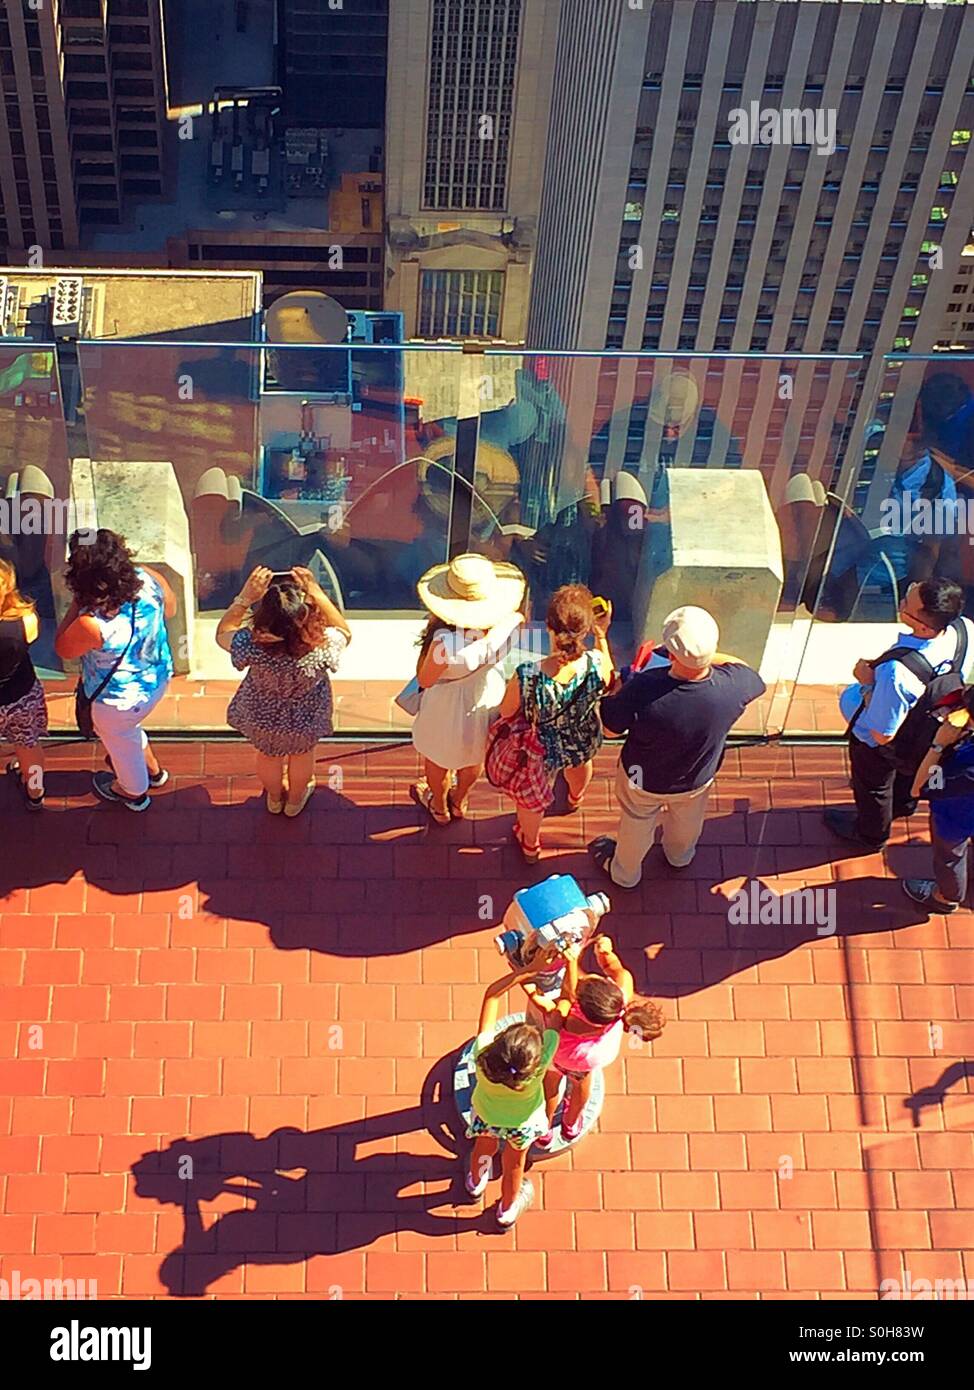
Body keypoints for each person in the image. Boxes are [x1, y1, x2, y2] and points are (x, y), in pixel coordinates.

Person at [590, 605, 765, 887]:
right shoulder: (733, 687)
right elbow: (747, 671)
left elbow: (610, 729)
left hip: (643, 777)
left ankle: (625, 874)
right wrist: (700, 658)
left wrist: (620, 690)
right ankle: (679, 856)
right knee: (688, 821)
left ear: (670, 653)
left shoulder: (643, 687)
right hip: (697, 778)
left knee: (637, 822)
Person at [827, 577, 974, 849]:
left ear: (922, 626)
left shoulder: (897, 672)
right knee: (909, 768)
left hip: (880, 742)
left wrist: (867, 683)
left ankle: (871, 834)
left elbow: (882, 734)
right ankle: (904, 803)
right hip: (930, 725)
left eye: (907, 601)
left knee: (873, 786)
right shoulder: (965, 629)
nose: (903, 599)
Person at [55, 530, 175, 812]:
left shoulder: (92, 622)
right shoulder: (147, 577)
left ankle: (134, 792)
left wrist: (78, 603)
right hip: (156, 678)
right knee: (127, 734)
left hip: (117, 702)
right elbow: (170, 608)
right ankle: (155, 772)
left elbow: (63, 647)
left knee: (120, 743)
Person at [216, 565, 351, 817]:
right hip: (307, 717)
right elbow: (344, 631)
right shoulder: (322, 644)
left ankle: (275, 798)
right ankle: (294, 802)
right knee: (301, 756)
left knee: (268, 756)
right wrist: (317, 592)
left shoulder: (250, 644)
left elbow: (223, 633)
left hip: (262, 715)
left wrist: (244, 598)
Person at [494, 584, 613, 862]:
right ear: (584, 630)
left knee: (531, 801)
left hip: (541, 750)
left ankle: (531, 845)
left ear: (548, 626)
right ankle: (574, 798)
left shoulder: (528, 675)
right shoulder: (597, 663)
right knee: (580, 764)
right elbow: (608, 681)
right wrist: (602, 637)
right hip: (581, 738)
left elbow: (507, 711)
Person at [410, 552, 525, 824]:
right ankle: (459, 800)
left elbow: (424, 680)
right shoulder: (511, 623)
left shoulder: (443, 645)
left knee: (438, 760)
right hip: (486, 696)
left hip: (446, 706)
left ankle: (439, 806)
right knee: (474, 757)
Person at [533, 935, 664, 1146]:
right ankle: (571, 1124)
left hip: (562, 1056)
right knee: (582, 1083)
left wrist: (571, 961)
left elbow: (568, 992)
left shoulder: (571, 1020)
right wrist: (605, 952)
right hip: (592, 1058)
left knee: (550, 1086)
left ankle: (543, 1131)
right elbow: (613, 966)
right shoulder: (623, 989)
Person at [466, 967, 560, 1229]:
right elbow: (554, 1018)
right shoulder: (542, 1063)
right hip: (523, 1127)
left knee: (483, 1148)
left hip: (485, 1117)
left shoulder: (482, 1052)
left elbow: (492, 996)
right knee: (514, 1165)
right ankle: (506, 1209)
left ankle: (476, 1182)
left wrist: (526, 970)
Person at [901, 689, 974, 914]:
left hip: (957, 815)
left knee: (950, 857)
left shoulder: (965, 762)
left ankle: (946, 897)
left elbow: (919, 788)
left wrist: (939, 745)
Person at [0, 557, 48, 809]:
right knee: (29, 748)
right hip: (21, 697)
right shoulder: (26, 621)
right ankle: (36, 791)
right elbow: (31, 638)